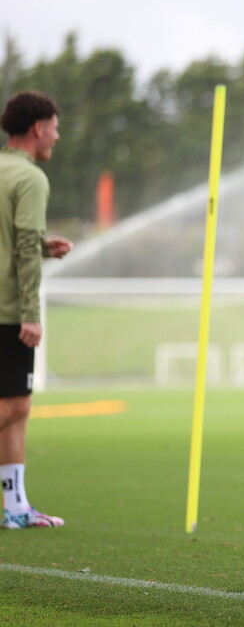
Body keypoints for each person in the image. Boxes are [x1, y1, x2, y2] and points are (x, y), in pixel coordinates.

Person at [1, 91, 73, 529]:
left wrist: (45, 247)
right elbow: (23, 247)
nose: (58, 136)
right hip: (9, 311)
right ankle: (15, 508)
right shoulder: (30, 179)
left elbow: (15, 242)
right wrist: (31, 313)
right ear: (37, 129)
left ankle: (14, 508)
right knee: (12, 406)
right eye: (55, 127)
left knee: (18, 406)